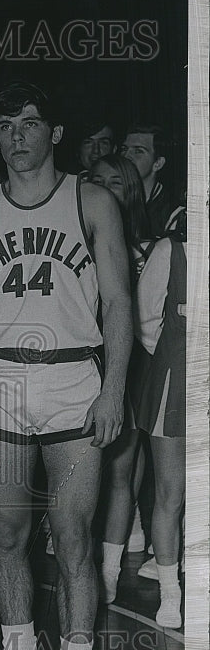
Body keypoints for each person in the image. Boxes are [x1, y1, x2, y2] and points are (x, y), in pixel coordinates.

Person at [0, 81, 132, 650]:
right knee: (5, 537)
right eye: (4, 125)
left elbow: (117, 304)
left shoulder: (92, 201)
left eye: (29, 123)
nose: (15, 137)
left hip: (71, 381)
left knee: (73, 540)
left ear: (55, 133)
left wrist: (113, 391)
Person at [89, 155, 153, 601]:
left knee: (120, 472)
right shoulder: (75, 236)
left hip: (129, 371)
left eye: (117, 181)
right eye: (98, 181)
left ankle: (109, 572)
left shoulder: (148, 248)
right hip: (77, 364)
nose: (107, 188)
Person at [131, 235, 186, 627]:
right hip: (176, 385)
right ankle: (171, 593)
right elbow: (144, 320)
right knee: (172, 491)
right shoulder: (172, 251)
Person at [120, 122, 186, 241]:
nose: (126, 156)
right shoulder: (112, 198)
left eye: (138, 151)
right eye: (124, 149)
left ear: (158, 163)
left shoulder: (172, 210)